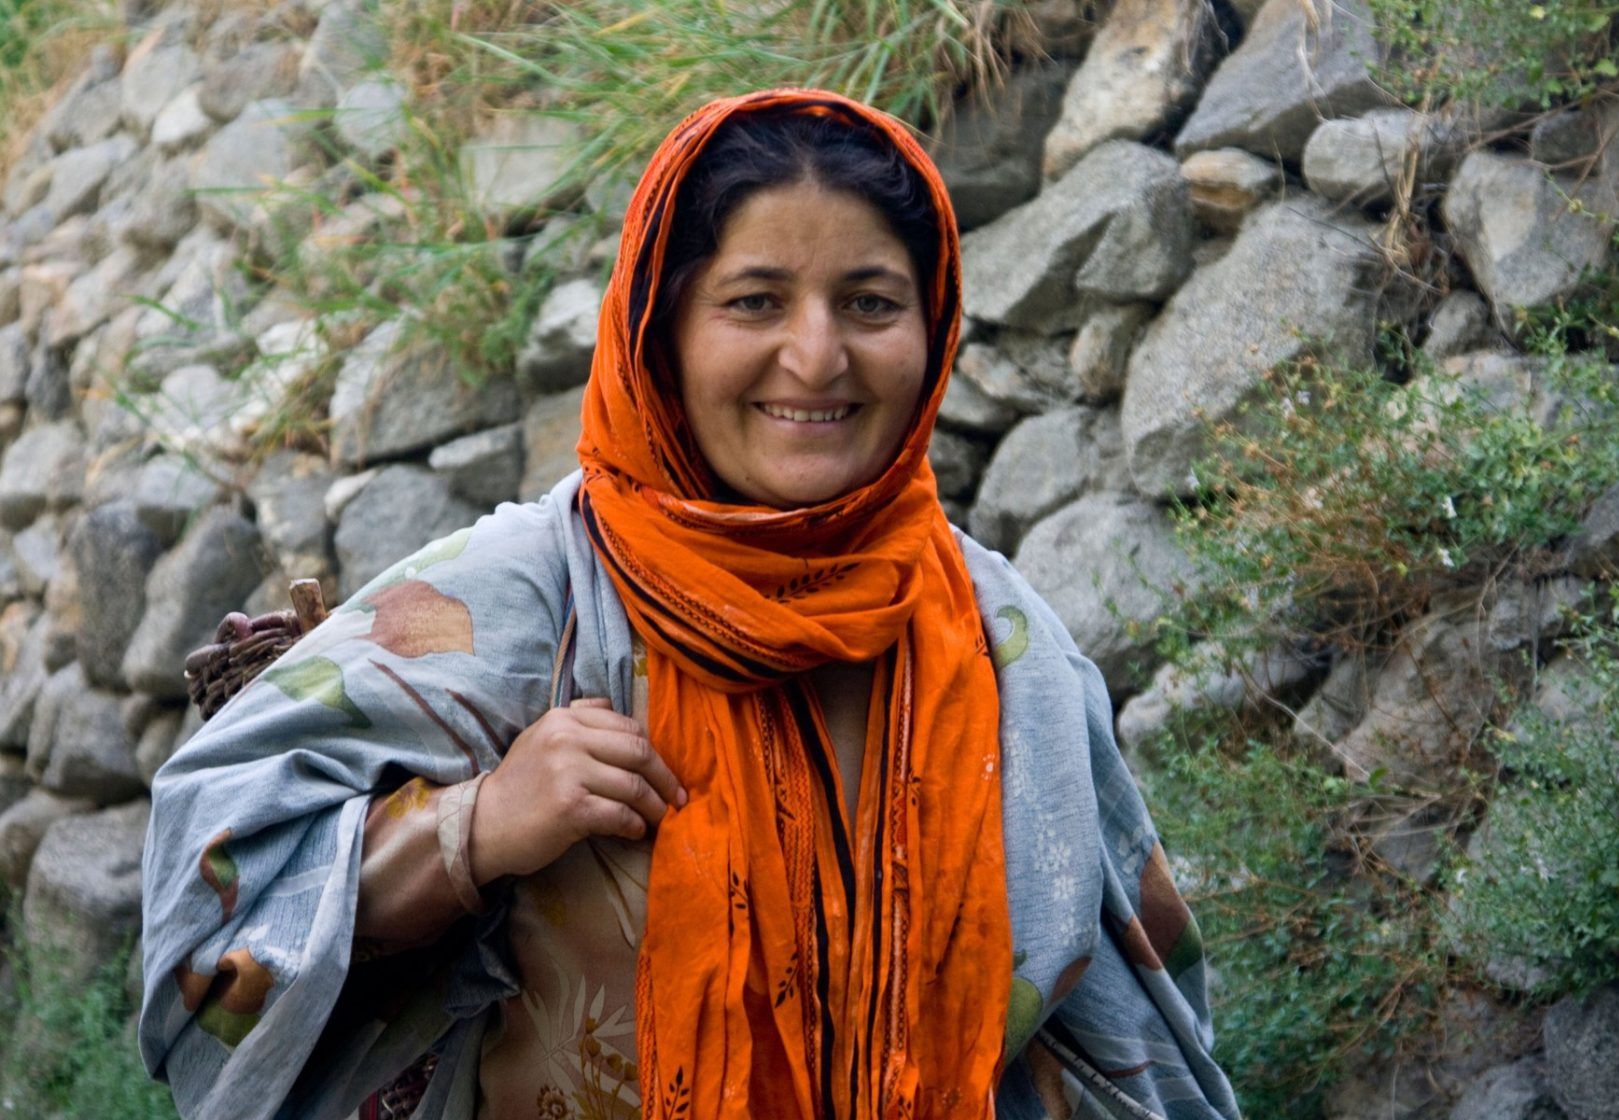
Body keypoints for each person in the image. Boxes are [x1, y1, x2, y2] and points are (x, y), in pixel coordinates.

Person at [140, 89, 1240, 1120]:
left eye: (870, 303)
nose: (817, 356)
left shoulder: (1001, 644)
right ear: (661, 332)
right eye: (755, 301)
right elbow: (217, 916)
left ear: (934, 322)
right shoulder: (526, 597)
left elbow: (1136, 1029)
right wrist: (475, 826)